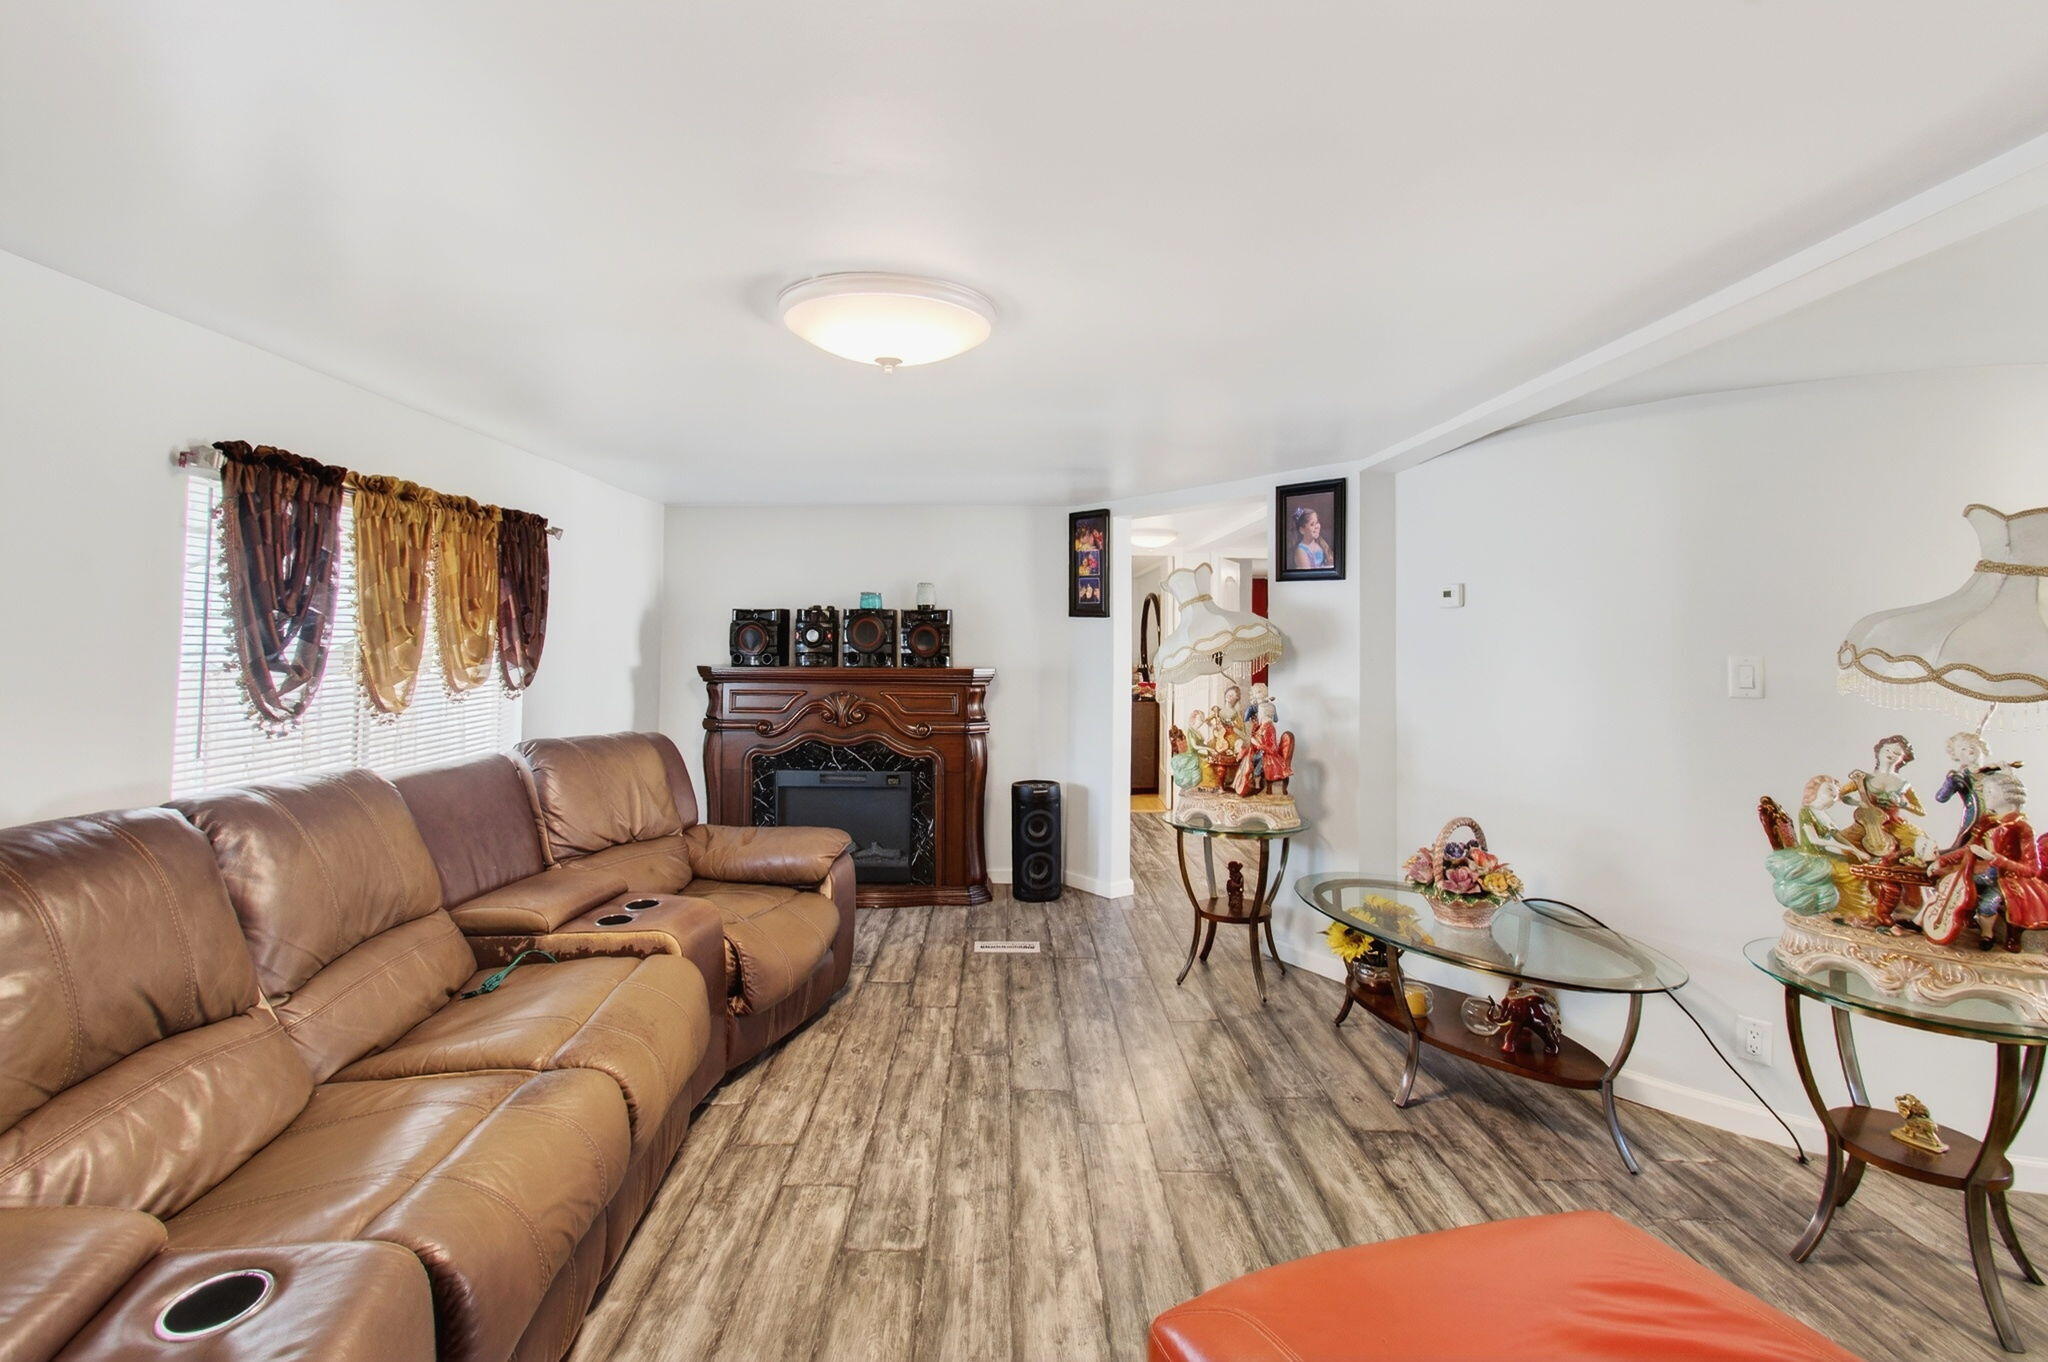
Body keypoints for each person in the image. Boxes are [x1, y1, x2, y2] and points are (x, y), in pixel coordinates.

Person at [1289, 505, 1332, 571]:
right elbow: (1308, 575)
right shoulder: (1301, 551)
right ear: (1302, 530)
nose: (1317, 526)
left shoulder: (1320, 542)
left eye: (1317, 522)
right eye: (1312, 524)